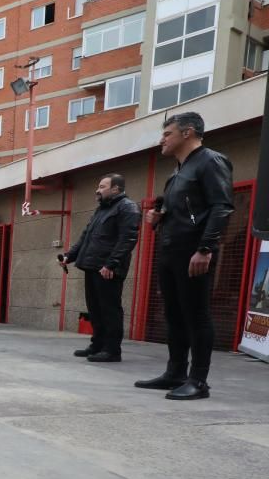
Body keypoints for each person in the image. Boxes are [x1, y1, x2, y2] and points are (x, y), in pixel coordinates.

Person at [136, 112, 234, 400]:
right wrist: (158, 218)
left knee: (197, 315)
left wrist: (205, 248)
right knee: (174, 314)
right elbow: (181, 212)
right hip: (171, 250)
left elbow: (221, 207)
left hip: (194, 251)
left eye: (167, 134)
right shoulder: (177, 172)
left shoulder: (211, 161)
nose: (162, 140)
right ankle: (175, 373)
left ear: (188, 133)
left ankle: (198, 381)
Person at [59, 174, 141, 362]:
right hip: (93, 266)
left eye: (103, 186)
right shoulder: (101, 210)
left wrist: (111, 264)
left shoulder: (127, 208)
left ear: (116, 189)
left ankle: (112, 350)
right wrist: (69, 256)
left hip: (108, 269)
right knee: (95, 309)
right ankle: (97, 345)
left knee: (110, 310)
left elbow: (127, 239)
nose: (98, 190)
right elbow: (85, 237)